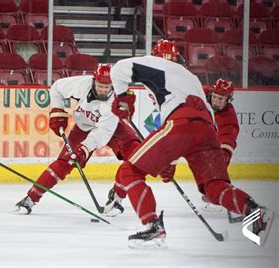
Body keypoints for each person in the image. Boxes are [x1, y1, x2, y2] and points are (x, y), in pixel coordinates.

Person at [108, 39, 274, 249]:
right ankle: (253, 211)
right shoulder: (191, 77)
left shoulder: (155, 64)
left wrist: (124, 99)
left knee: (129, 171)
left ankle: (152, 226)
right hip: (206, 131)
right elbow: (198, 125)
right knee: (213, 188)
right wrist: (171, 159)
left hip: (180, 124)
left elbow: (118, 70)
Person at [13, 64, 141, 215]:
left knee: (136, 155)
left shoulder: (114, 101)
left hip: (112, 129)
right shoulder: (82, 84)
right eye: (100, 85)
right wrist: (57, 110)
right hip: (83, 127)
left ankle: (117, 197)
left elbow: (102, 133)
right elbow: (56, 88)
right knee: (64, 163)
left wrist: (84, 149)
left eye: (108, 87)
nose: (104, 90)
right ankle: (30, 199)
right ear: (94, 81)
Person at [201, 78, 240, 213]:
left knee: (217, 164)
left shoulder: (228, 117)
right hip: (192, 129)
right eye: (215, 97)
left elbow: (228, 139)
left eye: (221, 99)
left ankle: (218, 194)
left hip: (210, 141)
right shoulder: (201, 92)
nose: (217, 101)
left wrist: (222, 159)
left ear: (228, 100)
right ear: (211, 93)